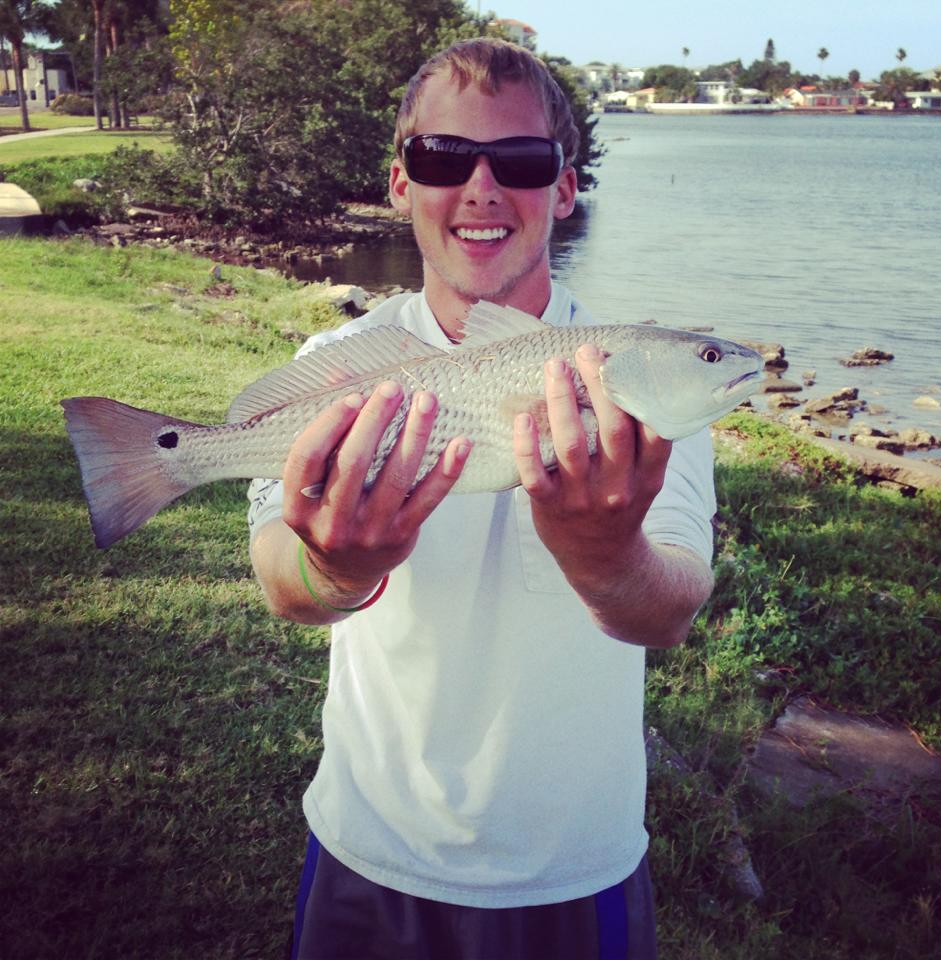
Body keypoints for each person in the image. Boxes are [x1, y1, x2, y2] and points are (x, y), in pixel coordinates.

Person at [247, 37, 716, 960]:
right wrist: (334, 570)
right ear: (400, 182)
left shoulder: (645, 382)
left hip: (574, 868)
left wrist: (607, 559)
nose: (482, 188)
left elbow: (670, 610)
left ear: (565, 188)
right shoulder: (330, 371)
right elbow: (278, 579)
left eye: (523, 161)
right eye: (443, 157)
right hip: (367, 847)